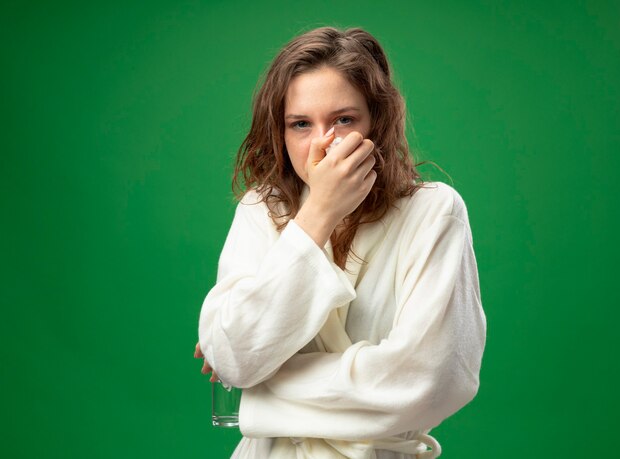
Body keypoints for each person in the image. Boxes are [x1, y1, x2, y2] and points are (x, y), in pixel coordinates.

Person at [194, 26, 486, 459]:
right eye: (300, 124)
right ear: (281, 132)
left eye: (343, 120)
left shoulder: (434, 213)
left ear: (377, 123)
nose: (322, 143)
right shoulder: (261, 210)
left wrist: (262, 392)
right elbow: (237, 357)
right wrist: (318, 215)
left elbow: (430, 383)